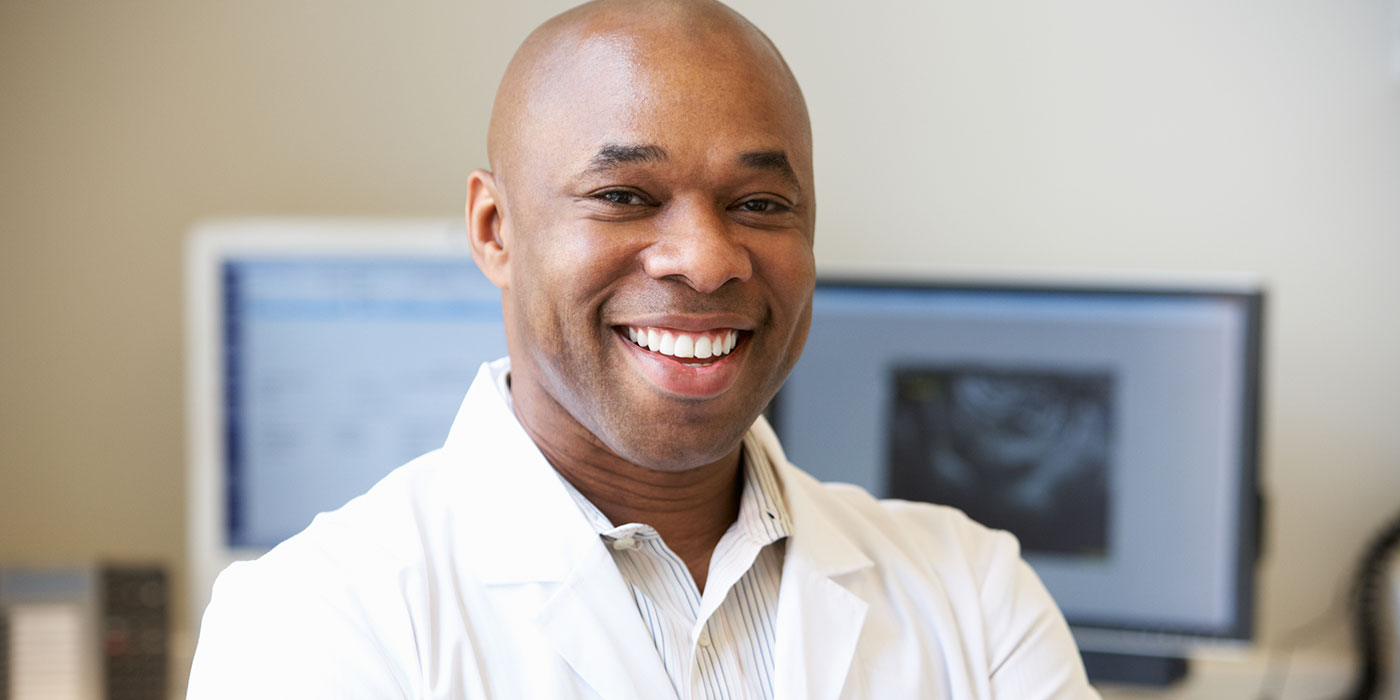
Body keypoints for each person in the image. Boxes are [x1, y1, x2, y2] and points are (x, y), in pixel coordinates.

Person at [186, 1, 1099, 698]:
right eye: (624, 196)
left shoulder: (973, 595)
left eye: (761, 205)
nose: (706, 261)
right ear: (495, 229)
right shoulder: (314, 620)